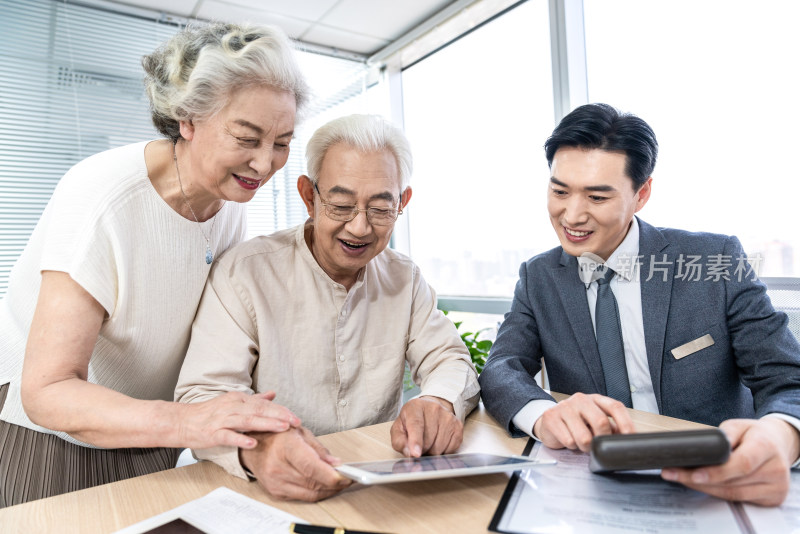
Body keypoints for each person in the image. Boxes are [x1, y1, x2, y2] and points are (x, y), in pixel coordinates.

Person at [0, 22, 310, 507]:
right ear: (188, 119)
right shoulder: (102, 198)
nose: (265, 164)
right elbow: (48, 389)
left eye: (282, 142)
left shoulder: (230, 201)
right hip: (40, 429)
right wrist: (188, 421)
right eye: (246, 138)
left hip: (145, 427)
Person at [479, 103, 800, 507]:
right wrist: (542, 415)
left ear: (642, 193)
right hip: (592, 487)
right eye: (559, 191)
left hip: (716, 483)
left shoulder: (712, 261)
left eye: (597, 196)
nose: (571, 215)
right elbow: (501, 368)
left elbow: (788, 379)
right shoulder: (539, 276)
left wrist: (781, 435)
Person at [175, 114, 481, 502]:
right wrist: (261, 449)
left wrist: (437, 401)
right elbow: (203, 395)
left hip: (372, 487)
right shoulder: (245, 273)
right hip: (262, 490)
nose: (359, 228)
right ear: (309, 197)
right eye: (340, 205)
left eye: (381, 208)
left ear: (402, 203)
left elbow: (449, 360)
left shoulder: (404, 278)